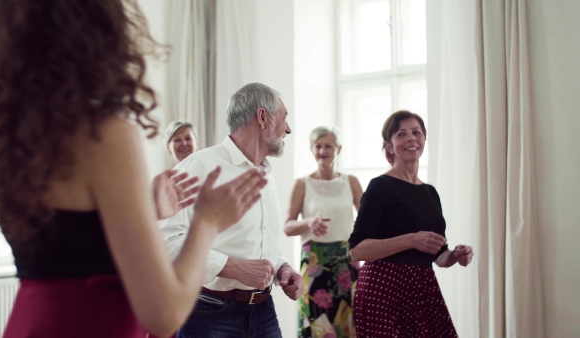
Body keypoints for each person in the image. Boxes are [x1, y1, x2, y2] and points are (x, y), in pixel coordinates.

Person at [0, 1, 267, 337]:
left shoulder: (0, 139)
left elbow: (63, 246)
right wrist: (206, 221)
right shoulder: (104, 136)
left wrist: (143, 210)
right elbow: (164, 315)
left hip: (31, 323)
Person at [161, 82, 304, 338]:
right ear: (262, 117)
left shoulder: (266, 173)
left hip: (264, 312)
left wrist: (283, 268)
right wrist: (234, 268)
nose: (289, 129)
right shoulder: (198, 167)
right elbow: (166, 241)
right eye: (285, 118)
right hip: (210, 313)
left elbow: (258, 241)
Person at [347, 110, 474, 337]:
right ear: (389, 146)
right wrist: (411, 240)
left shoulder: (430, 193)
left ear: (424, 140)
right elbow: (356, 251)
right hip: (382, 291)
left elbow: (439, 256)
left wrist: (455, 255)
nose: (411, 138)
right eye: (401, 134)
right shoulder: (380, 186)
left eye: (416, 132)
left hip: (421, 291)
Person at [284, 126, 363, 338]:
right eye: (317, 146)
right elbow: (287, 227)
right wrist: (308, 222)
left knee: (349, 325)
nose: (322, 151)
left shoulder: (351, 182)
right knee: (316, 324)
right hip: (314, 263)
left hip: (347, 261)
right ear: (311, 150)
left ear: (339, 149)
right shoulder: (302, 184)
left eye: (328, 146)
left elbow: (367, 224)